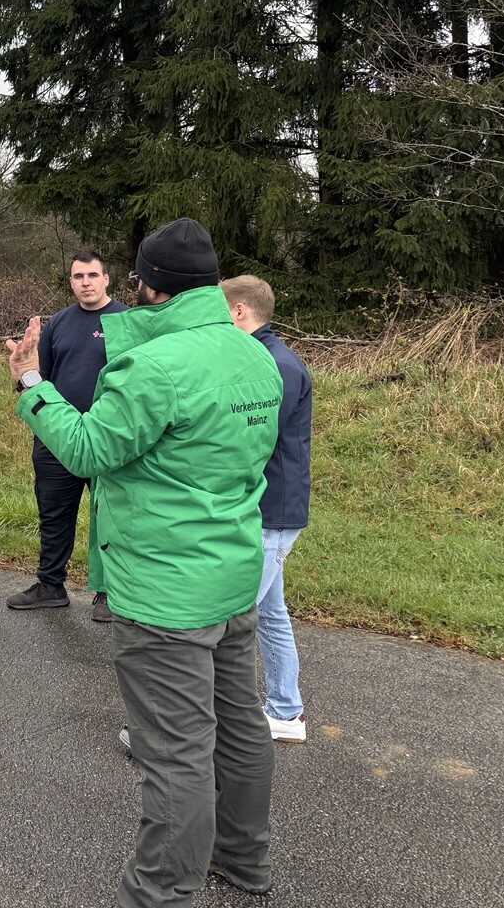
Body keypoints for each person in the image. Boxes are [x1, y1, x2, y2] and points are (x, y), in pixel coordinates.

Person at [7, 218, 283, 906]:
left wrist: (32, 382)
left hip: (164, 592)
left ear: (150, 287)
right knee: (240, 728)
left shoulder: (153, 366)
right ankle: (242, 858)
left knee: (176, 750)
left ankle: (159, 891)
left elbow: (88, 450)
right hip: (231, 574)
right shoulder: (256, 354)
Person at [5, 250, 128, 619]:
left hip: (108, 439)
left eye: (92, 275)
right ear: (71, 282)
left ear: (106, 279)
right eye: (78, 276)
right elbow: (36, 379)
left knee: (111, 516)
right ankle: (50, 584)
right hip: (57, 439)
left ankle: (110, 593)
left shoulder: (128, 322)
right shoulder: (57, 324)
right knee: (54, 513)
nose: (86, 282)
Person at [222, 274, 312, 743]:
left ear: (239, 310)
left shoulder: (277, 366)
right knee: (271, 615)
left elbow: (252, 438)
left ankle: (187, 727)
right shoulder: (264, 358)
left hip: (271, 512)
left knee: (225, 621)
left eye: (220, 311)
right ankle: (285, 711)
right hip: (266, 508)